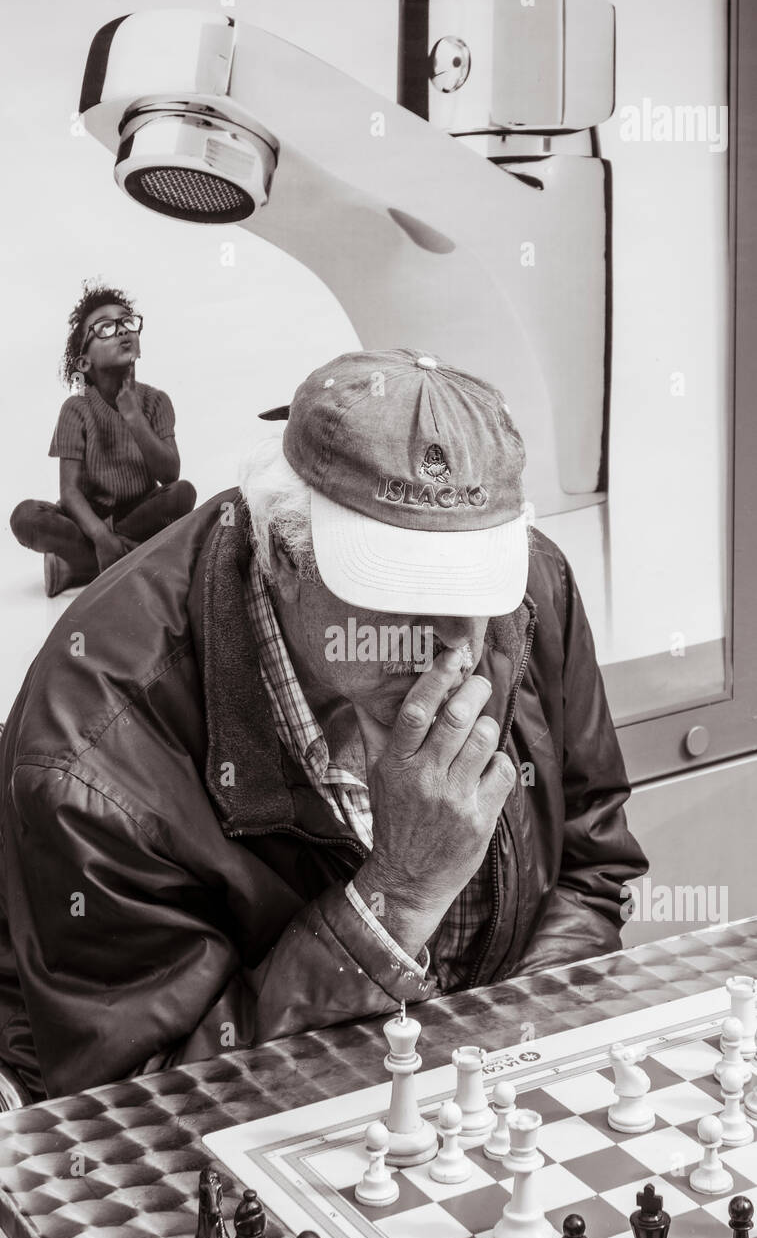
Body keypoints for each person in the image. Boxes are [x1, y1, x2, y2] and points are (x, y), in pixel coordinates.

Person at [0, 348, 648, 1100]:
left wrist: (502, 1068)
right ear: (280, 555)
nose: (459, 645)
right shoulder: (91, 758)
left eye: (476, 582)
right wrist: (395, 898)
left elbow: (591, 867)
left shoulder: (530, 592)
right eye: (404, 588)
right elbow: (147, 1111)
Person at [10, 281, 196, 596]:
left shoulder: (156, 401)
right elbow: (69, 493)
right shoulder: (76, 408)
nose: (122, 331)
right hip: (85, 521)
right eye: (106, 328)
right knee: (25, 517)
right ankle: (133, 556)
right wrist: (100, 535)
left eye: (127, 322)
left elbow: (170, 475)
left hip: (140, 513)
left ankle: (75, 567)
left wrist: (134, 416)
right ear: (84, 363)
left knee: (182, 494)